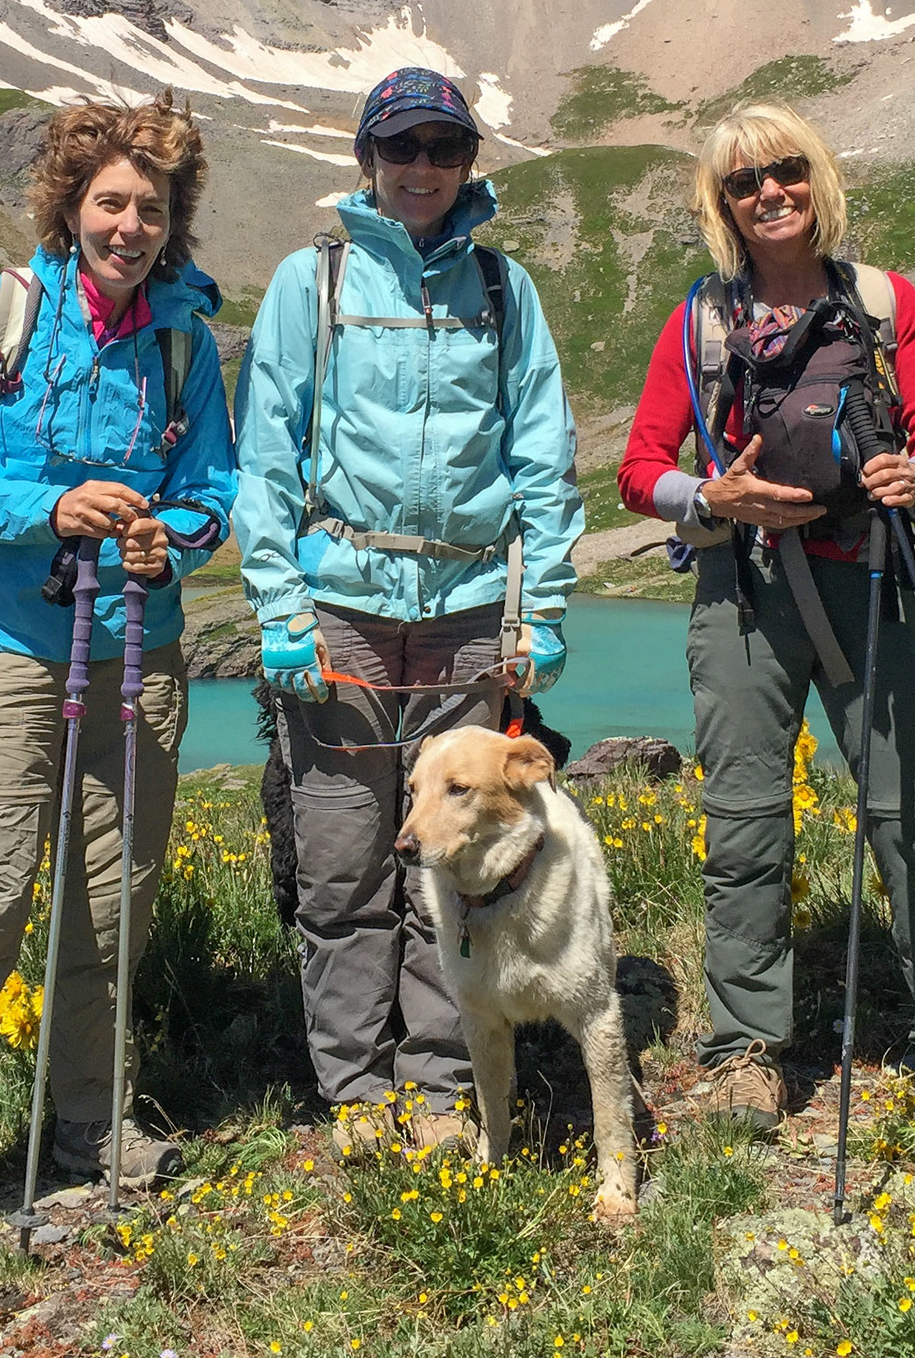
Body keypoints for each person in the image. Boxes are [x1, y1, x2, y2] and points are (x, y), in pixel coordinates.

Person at [0, 96, 236, 1264]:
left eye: (151, 210)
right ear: (70, 205)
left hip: (137, 645)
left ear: (173, 228)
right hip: (4, 652)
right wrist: (50, 511)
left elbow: (215, 490)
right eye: (110, 202)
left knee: (111, 903)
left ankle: (90, 1125)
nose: (129, 226)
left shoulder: (183, 343)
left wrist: (168, 530)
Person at [616, 100, 915, 1134]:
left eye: (785, 171)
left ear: (814, 178)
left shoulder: (882, 302)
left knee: (909, 808)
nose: (768, 194)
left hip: (869, 579)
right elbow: (637, 470)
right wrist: (713, 498)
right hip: (741, 591)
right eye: (744, 183)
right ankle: (746, 1050)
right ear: (722, 204)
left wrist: (914, 477)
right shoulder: (698, 320)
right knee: (743, 819)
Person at [233, 66, 584, 1154]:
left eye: (444, 148)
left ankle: (440, 1088)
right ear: (366, 161)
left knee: (456, 862)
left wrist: (543, 608)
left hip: (470, 610)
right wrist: (282, 610)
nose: (422, 167)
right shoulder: (313, 282)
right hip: (341, 606)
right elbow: (265, 455)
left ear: (469, 163)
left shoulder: (502, 287)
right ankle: (354, 1091)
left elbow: (542, 454)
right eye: (402, 148)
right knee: (340, 864)